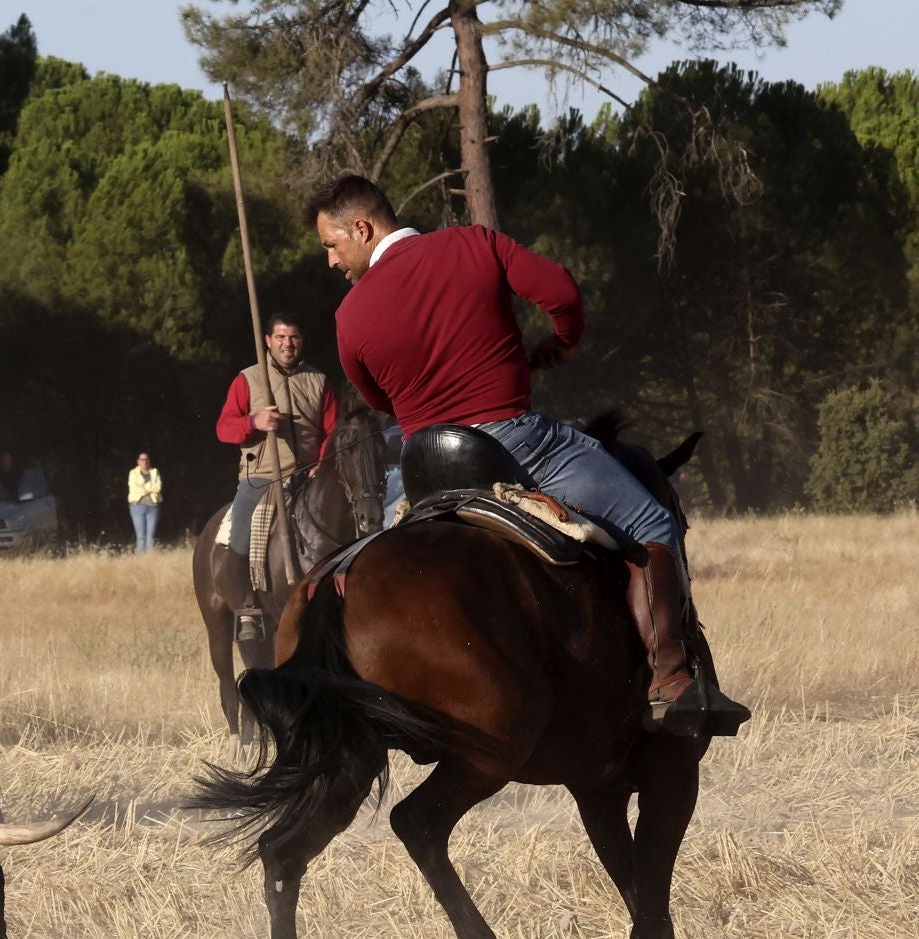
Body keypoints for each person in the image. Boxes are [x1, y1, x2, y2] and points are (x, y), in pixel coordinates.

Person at [307, 172, 745, 734]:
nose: (332, 261)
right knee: (650, 519)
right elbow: (562, 293)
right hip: (515, 445)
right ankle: (671, 679)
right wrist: (560, 343)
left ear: (362, 228)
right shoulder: (473, 244)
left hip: (422, 470)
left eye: (331, 245)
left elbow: (377, 396)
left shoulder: (348, 318)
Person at [214, 312, 340, 640]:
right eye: (281, 337)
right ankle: (246, 609)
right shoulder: (248, 379)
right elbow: (223, 428)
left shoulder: (319, 381)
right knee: (241, 529)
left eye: (294, 337)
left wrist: (321, 463)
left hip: (309, 475)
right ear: (268, 341)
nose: (288, 344)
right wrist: (254, 423)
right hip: (263, 476)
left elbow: (332, 431)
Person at [127, 452, 162, 554]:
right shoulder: (133, 473)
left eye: (146, 459)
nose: (144, 461)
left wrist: (144, 489)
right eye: (142, 459)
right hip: (137, 506)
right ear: (138, 461)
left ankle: (150, 558)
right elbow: (134, 488)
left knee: (151, 536)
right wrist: (150, 489)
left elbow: (158, 487)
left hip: (153, 506)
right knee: (141, 536)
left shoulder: (155, 472)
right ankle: (141, 558)